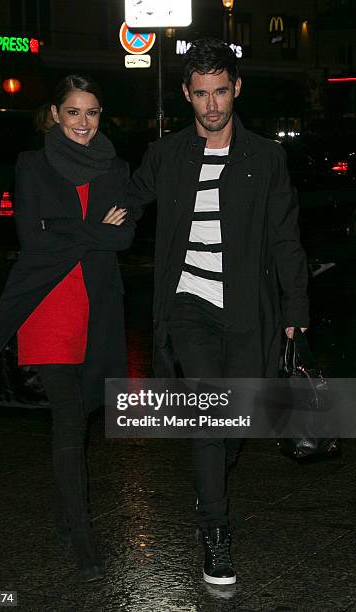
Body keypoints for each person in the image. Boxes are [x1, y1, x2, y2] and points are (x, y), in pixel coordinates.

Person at [125, 39, 309, 585]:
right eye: (200, 93)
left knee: (234, 422)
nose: (211, 105)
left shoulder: (266, 158)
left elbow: (285, 239)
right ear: (186, 93)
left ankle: (213, 475)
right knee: (211, 412)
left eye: (220, 92)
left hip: (248, 309)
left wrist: (295, 307)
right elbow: (127, 198)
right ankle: (216, 531)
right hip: (189, 305)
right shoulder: (167, 155)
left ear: (236, 89)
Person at [0, 75, 133, 581]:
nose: (83, 123)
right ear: (55, 114)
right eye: (73, 112)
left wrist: (66, 230)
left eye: (91, 112)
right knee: (69, 421)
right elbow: (33, 238)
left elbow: (125, 235)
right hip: (45, 309)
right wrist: (95, 233)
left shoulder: (116, 168)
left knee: (79, 421)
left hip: (97, 312)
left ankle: (66, 514)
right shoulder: (32, 165)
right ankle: (84, 539)